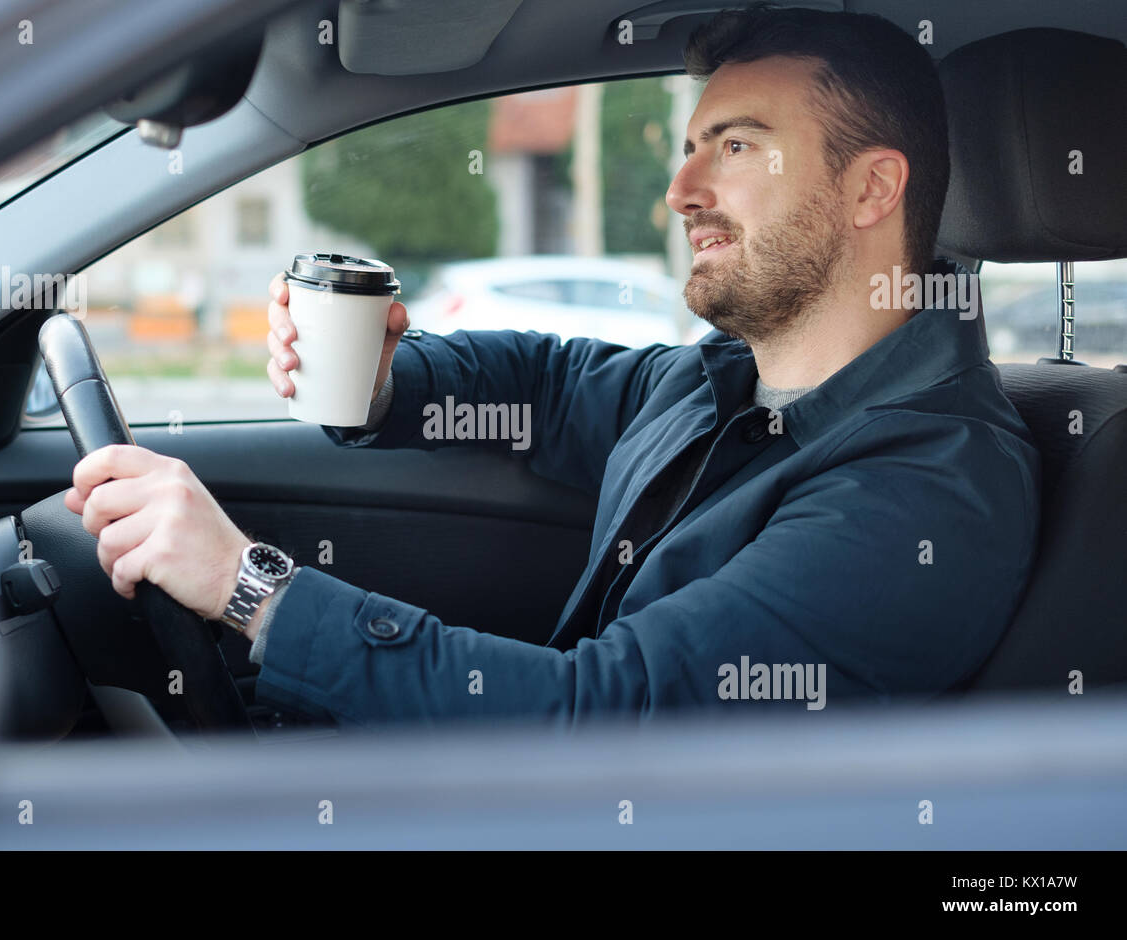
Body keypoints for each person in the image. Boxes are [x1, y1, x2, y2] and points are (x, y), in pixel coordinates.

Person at [64, 5, 1040, 727]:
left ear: (871, 188)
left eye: (734, 146)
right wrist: (390, 383)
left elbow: (601, 716)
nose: (678, 191)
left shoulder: (924, 492)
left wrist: (250, 588)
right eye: (688, 148)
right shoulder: (729, 380)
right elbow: (550, 385)